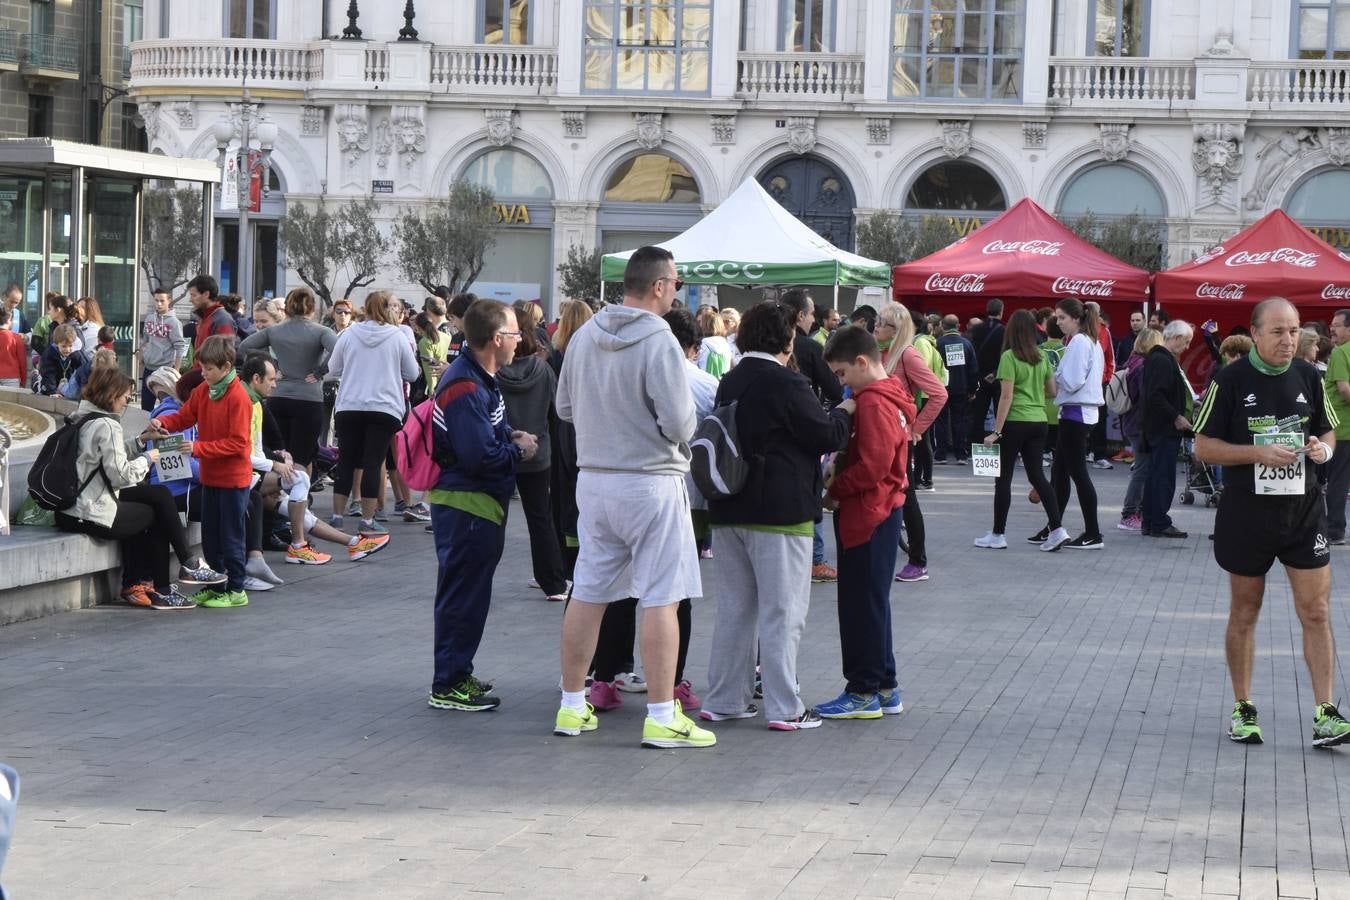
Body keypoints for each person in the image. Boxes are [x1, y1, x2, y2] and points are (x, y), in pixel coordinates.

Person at [554, 246, 715, 748]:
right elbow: (678, 420)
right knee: (662, 596)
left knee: (589, 590)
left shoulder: (583, 335)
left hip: (595, 478)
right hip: (650, 480)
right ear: (661, 285)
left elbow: (564, 407)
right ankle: (662, 714)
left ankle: (571, 705)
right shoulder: (660, 340)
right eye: (677, 283)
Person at [1193, 296, 1350, 748]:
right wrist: (1257, 453)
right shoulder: (1230, 379)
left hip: (1302, 511)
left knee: (1317, 611)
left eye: (1295, 330)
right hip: (1248, 513)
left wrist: (1326, 449)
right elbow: (1204, 447)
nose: (1289, 340)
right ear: (1256, 333)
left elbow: (1326, 429)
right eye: (1278, 331)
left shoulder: (1309, 376)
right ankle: (1243, 708)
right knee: (1245, 611)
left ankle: (1326, 712)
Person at [699, 302, 852, 730]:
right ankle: (786, 707)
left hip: (729, 509)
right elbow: (824, 434)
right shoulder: (788, 382)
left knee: (735, 610)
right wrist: (845, 413)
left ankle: (725, 698)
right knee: (783, 612)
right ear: (786, 339)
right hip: (781, 513)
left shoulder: (730, 381)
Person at [427, 300, 537, 712]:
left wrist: (508, 436)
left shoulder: (478, 378)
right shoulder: (466, 384)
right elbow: (477, 456)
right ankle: (448, 682)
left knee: (468, 596)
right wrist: (518, 452)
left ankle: (457, 672)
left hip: (476, 504)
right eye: (514, 334)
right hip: (466, 504)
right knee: (462, 597)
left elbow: (484, 437)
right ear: (496, 339)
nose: (519, 341)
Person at [56, 367, 225, 608]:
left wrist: (143, 440)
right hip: (88, 508)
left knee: (159, 495)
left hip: (77, 502)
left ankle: (167, 575)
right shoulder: (107, 425)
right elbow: (120, 475)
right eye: (125, 396)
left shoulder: (82, 415)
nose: (127, 402)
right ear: (112, 395)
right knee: (155, 511)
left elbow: (106, 457)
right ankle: (155, 585)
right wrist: (150, 457)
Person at [815, 325, 914, 720]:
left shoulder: (871, 402)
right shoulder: (888, 394)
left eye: (841, 374)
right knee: (873, 603)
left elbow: (873, 465)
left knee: (860, 605)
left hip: (867, 513)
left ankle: (863, 690)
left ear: (861, 362)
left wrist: (835, 488)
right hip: (882, 510)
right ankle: (884, 686)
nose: (840, 382)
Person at [147, 335, 254, 608]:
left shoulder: (239, 397)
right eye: (202, 368)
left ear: (226, 367)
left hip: (232, 480)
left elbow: (239, 444)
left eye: (208, 369)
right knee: (211, 536)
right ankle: (216, 586)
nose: (203, 374)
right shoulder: (203, 391)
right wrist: (162, 421)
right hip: (210, 478)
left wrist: (197, 448)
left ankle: (236, 589)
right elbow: (184, 417)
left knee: (230, 535)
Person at [974, 309, 1069, 551]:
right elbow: (1052, 391)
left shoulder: (1009, 357)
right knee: (1037, 475)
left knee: (1003, 478)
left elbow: (1006, 396)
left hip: (1015, 421)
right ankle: (1057, 529)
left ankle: (998, 534)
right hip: (1039, 421)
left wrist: (996, 430)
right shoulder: (1041, 356)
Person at [326, 290, 419, 535]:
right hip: (384, 408)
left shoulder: (348, 334)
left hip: (349, 405)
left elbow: (332, 368)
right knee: (372, 462)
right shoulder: (397, 336)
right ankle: (367, 520)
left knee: (346, 460)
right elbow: (412, 374)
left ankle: (337, 516)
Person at [498, 300, 569, 602]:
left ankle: (479, 577)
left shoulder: (494, 373)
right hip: (538, 454)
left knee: (494, 519)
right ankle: (552, 582)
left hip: (500, 453)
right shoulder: (543, 371)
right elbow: (557, 415)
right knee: (541, 519)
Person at [875, 302, 947, 582]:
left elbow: (938, 393)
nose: (876, 326)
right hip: (878, 436)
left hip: (900, 439)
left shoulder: (907, 355)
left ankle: (918, 560)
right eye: (878, 321)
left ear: (897, 329)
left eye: (882, 322)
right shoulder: (879, 353)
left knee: (906, 498)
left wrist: (916, 428)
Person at [239, 352, 330, 569]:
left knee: (297, 478)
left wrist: (279, 458)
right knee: (297, 479)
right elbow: (240, 452)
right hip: (239, 472)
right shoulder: (242, 402)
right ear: (256, 379)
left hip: (253, 469)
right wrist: (275, 465)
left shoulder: (257, 403)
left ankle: (349, 542)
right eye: (271, 380)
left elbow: (257, 447)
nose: (274, 386)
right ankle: (299, 545)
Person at [780, 288, 844, 584]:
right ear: (800, 315)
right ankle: (815, 559)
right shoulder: (807, 346)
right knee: (812, 487)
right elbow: (833, 389)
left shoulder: (760, 346)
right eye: (810, 315)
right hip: (807, 425)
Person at [240, 287, 337, 472]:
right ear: (312, 308)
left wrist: (272, 366)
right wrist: (320, 371)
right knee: (302, 457)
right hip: (308, 399)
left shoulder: (274, 332)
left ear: (287, 308)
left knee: (281, 454)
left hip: (279, 397)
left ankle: (284, 497)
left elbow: (245, 346)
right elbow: (341, 350)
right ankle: (298, 498)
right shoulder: (321, 331)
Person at [1036, 298, 1106, 550]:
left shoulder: (1079, 341)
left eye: (1062, 317)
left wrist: (1054, 379)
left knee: (1077, 474)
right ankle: (1054, 527)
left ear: (1076, 318)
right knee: (1061, 473)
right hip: (1077, 412)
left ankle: (1093, 533)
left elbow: (1073, 380)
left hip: (1076, 412)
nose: (1058, 322)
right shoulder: (1088, 341)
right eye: (1057, 317)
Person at [1141, 320, 1196, 539]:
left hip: (1158, 427)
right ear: (1175, 338)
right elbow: (1156, 395)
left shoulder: (1158, 358)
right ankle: (1160, 522)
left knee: (1155, 475)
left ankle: (1150, 520)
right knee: (1163, 477)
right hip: (1164, 428)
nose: (1188, 347)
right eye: (1187, 341)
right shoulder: (1162, 361)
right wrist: (1176, 416)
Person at [1117, 328, 1165, 532]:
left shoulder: (1133, 361)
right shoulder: (1144, 366)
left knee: (1142, 467)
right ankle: (1129, 513)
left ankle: (1135, 511)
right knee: (1142, 469)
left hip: (1132, 422)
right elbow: (1146, 396)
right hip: (1139, 424)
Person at [1323, 308, 1350, 544]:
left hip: (1342, 429)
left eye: (1338, 325)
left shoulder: (1341, 352)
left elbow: (1344, 389)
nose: (1332, 328)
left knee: (1338, 482)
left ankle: (1335, 530)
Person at [934, 315, 976, 464]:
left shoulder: (937, 343)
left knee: (941, 421)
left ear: (943, 326)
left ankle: (941, 455)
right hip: (961, 387)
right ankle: (961, 455)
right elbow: (973, 369)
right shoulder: (967, 344)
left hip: (941, 388)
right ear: (958, 326)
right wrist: (972, 389)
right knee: (960, 421)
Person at [967, 298, 1006, 447]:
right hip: (998, 377)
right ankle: (999, 442)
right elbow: (1006, 355)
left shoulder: (975, 329)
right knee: (999, 413)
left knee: (978, 414)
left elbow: (971, 354)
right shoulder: (1004, 330)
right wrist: (995, 373)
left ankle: (975, 444)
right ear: (1001, 312)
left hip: (979, 377)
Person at [137, 289, 185, 410]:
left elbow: (179, 346)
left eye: (162, 301)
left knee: (167, 405)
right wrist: (141, 356)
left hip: (164, 369)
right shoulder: (149, 318)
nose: (159, 304)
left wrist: (176, 372)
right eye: (156, 300)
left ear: (169, 301)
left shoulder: (174, 322)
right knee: (146, 405)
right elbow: (145, 340)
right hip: (148, 368)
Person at [185, 275, 236, 367]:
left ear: (206, 294)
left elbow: (223, 358)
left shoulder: (222, 319)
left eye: (193, 295)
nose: (190, 300)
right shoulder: (204, 317)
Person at [38, 324, 85, 396]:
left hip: (65, 382)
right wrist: (52, 391)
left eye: (70, 346)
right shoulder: (49, 355)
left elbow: (83, 369)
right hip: (49, 381)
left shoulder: (76, 353)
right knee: (41, 389)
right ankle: (36, 380)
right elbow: (49, 374)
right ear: (57, 344)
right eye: (64, 346)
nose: (67, 349)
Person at [694, 305, 736, 379]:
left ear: (704, 325)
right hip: (721, 385)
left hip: (704, 384)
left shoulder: (701, 345)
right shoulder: (726, 345)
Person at [0, 308, 25, 389]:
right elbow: (22, 361)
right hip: (12, 378)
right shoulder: (16, 337)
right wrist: (23, 381)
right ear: (9, 320)